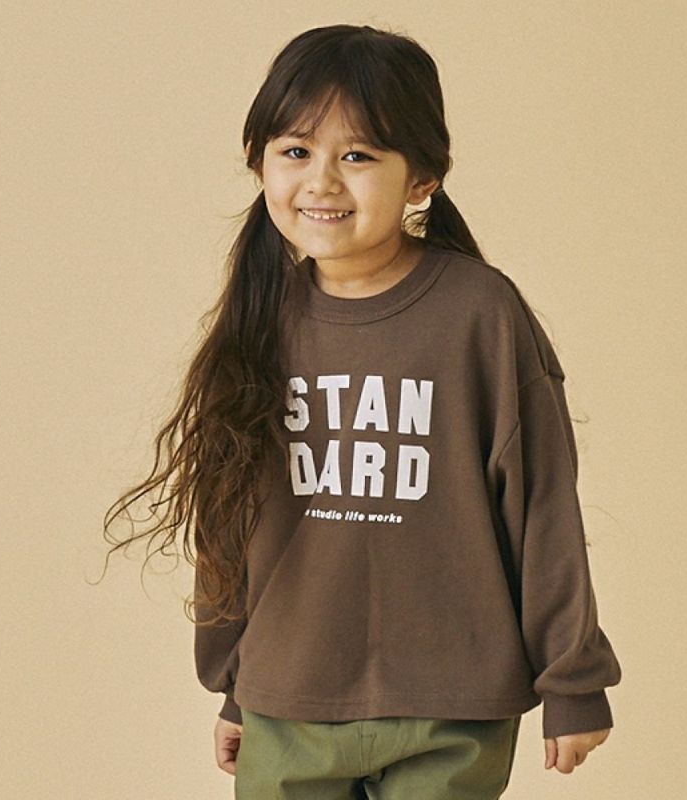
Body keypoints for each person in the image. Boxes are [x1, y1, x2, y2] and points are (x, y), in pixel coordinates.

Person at [103, 22, 622, 800]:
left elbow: (542, 503)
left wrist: (573, 681)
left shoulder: (480, 315)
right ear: (258, 162)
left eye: (357, 156)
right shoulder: (257, 322)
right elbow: (229, 519)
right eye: (295, 151)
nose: (321, 182)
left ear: (422, 179)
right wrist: (238, 684)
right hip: (289, 701)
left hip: (455, 705)